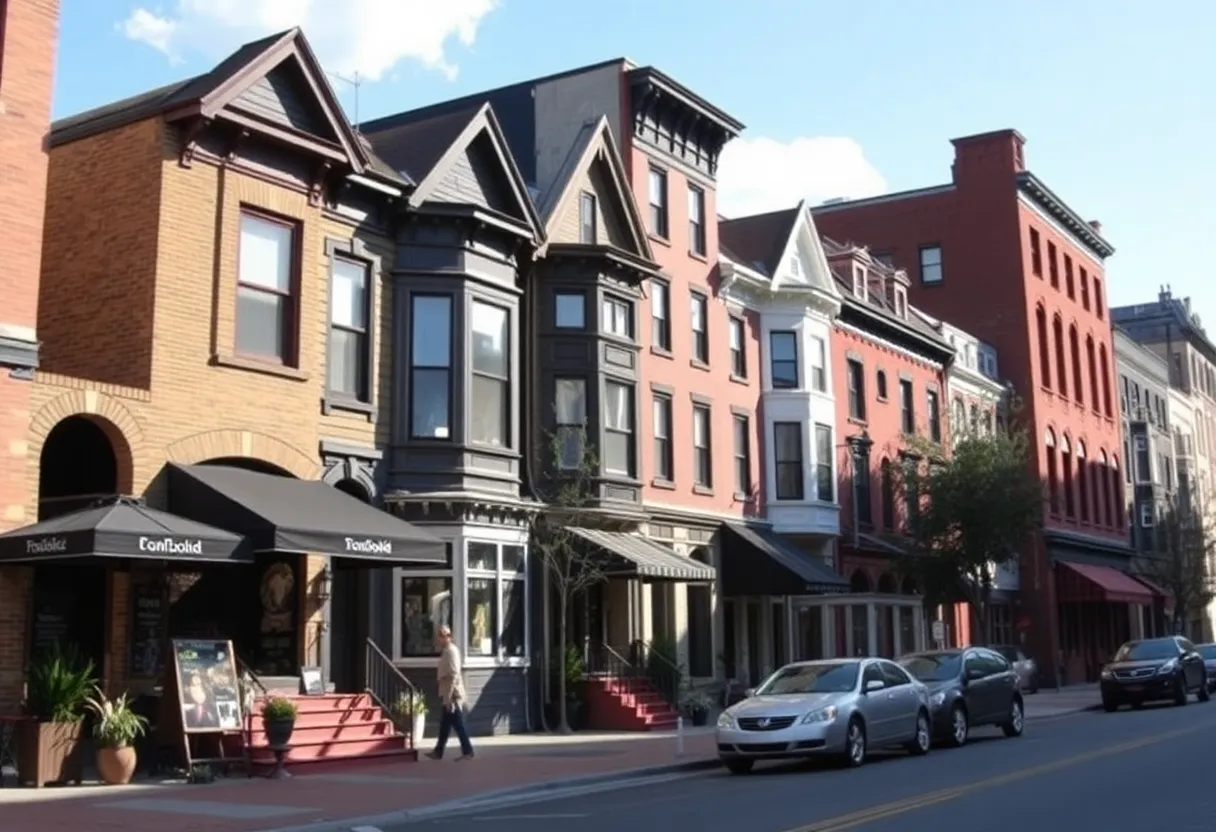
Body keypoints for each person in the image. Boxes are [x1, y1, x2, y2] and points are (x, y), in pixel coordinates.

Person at [426, 625, 474, 761]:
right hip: (448, 693)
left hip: (452, 695)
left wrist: (448, 699)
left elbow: (453, 675)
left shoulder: (451, 651)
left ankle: (468, 750)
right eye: (440, 635)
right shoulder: (446, 651)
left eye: (445, 635)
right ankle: (438, 751)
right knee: (445, 726)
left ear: (449, 637)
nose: (442, 638)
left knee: (458, 724)